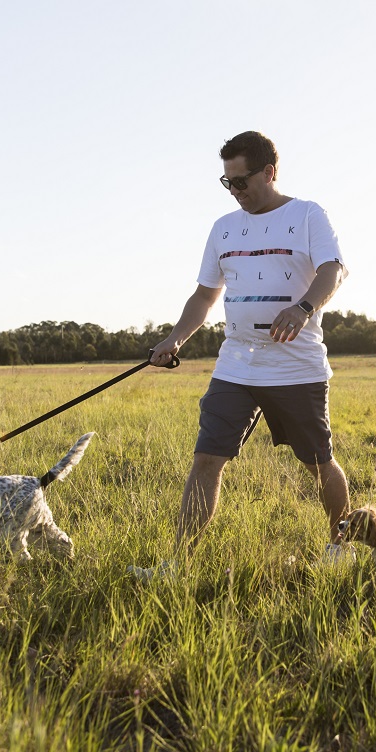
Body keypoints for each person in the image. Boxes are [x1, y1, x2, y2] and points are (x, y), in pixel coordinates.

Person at [135, 130, 351, 578]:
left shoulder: (308, 215)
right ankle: (177, 564)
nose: (235, 192)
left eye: (241, 181)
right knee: (207, 458)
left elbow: (333, 269)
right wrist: (175, 339)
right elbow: (204, 295)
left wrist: (303, 307)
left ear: (269, 172)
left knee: (317, 462)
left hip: (295, 365)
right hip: (236, 363)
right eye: (227, 183)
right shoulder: (223, 228)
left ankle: (340, 545)